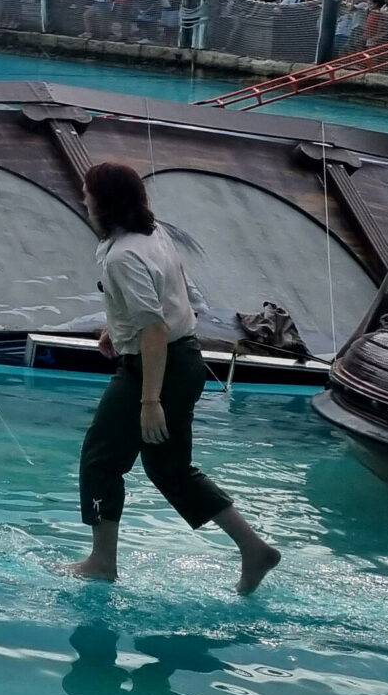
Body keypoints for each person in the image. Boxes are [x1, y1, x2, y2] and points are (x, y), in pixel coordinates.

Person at [64, 161, 281, 595]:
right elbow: (167, 294)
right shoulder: (151, 233)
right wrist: (117, 328)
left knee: (101, 459)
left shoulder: (124, 255)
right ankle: (254, 549)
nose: (83, 199)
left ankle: (101, 561)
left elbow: (155, 328)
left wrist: (149, 400)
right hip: (184, 359)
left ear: (102, 202)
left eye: (87, 193)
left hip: (155, 367)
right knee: (169, 468)